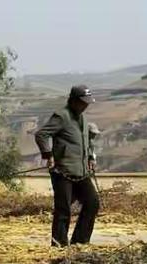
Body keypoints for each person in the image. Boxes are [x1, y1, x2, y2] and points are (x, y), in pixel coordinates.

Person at [35, 85, 100, 247]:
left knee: (92, 202)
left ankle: (80, 241)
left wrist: (91, 157)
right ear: (74, 101)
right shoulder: (62, 117)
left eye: (87, 103)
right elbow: (41, 135)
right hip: (62, 171)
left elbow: (86, 142)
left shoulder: (83, 119)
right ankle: (59, 244)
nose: (86, 106)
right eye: (83, 102)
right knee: (63, 209)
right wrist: (48, 155)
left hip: (81, 171)